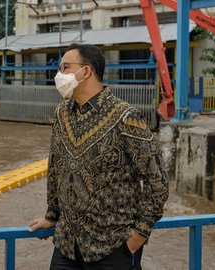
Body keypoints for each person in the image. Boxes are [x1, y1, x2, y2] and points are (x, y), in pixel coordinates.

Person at [29, 43, 169, 270]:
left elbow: (158, 181)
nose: (59, 75)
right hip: (67, 245)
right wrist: (52, 215)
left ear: (86, 71)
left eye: (65, 68)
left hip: (112, 246)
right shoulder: (61, 113)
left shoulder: (125, 116)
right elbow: (55, 167)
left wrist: (138, 235)